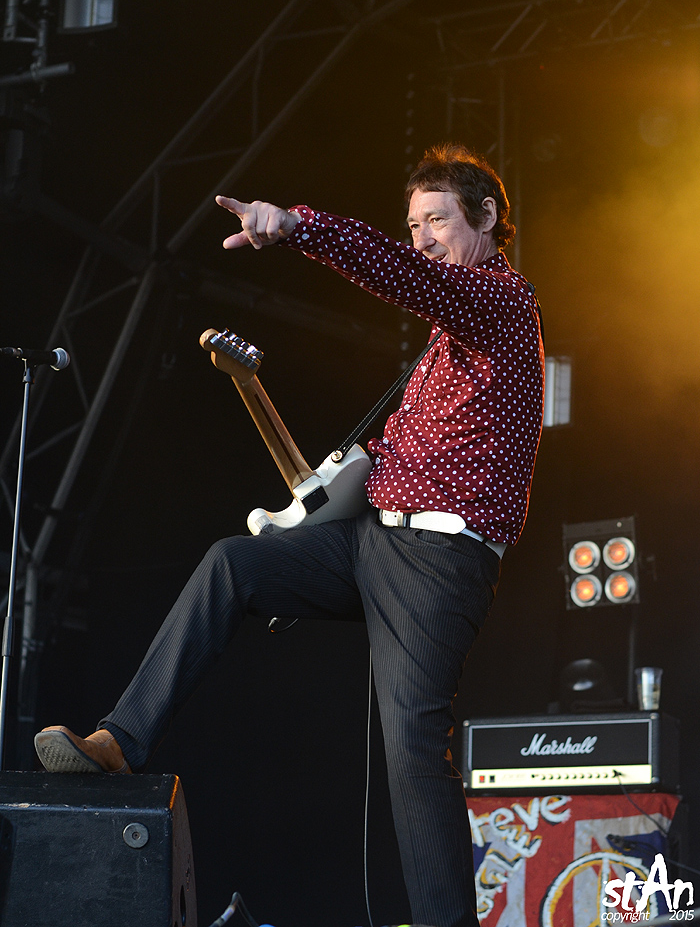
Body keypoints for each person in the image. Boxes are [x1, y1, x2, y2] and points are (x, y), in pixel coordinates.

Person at [34, 143, 544, 927]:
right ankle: (120, 741)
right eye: (412, 224)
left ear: (485, 217)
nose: (421, 239)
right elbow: (393, 455)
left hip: (441, 561)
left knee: (412, 755)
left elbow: (403, 274)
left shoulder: (501, 303)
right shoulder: (445, 344)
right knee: (233, 565)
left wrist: (298, 225)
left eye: (437, 220)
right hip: (373, 541)